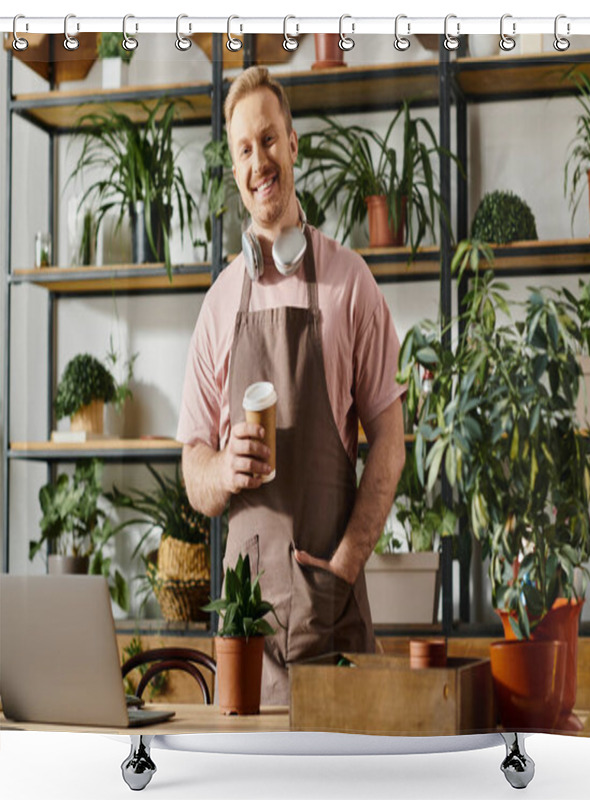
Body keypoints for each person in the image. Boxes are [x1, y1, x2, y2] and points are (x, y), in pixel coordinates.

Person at [177, 66, 407, 705]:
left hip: (331, 624)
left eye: (269, 140)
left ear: (293, 143)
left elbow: (391, 438)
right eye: (244, 149)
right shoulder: (220, 303)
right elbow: (193, 469)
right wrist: (222, 469)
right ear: (235, 169)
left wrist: (347, 565)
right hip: (245, 636)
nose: (260, 161)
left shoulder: (349, 283)